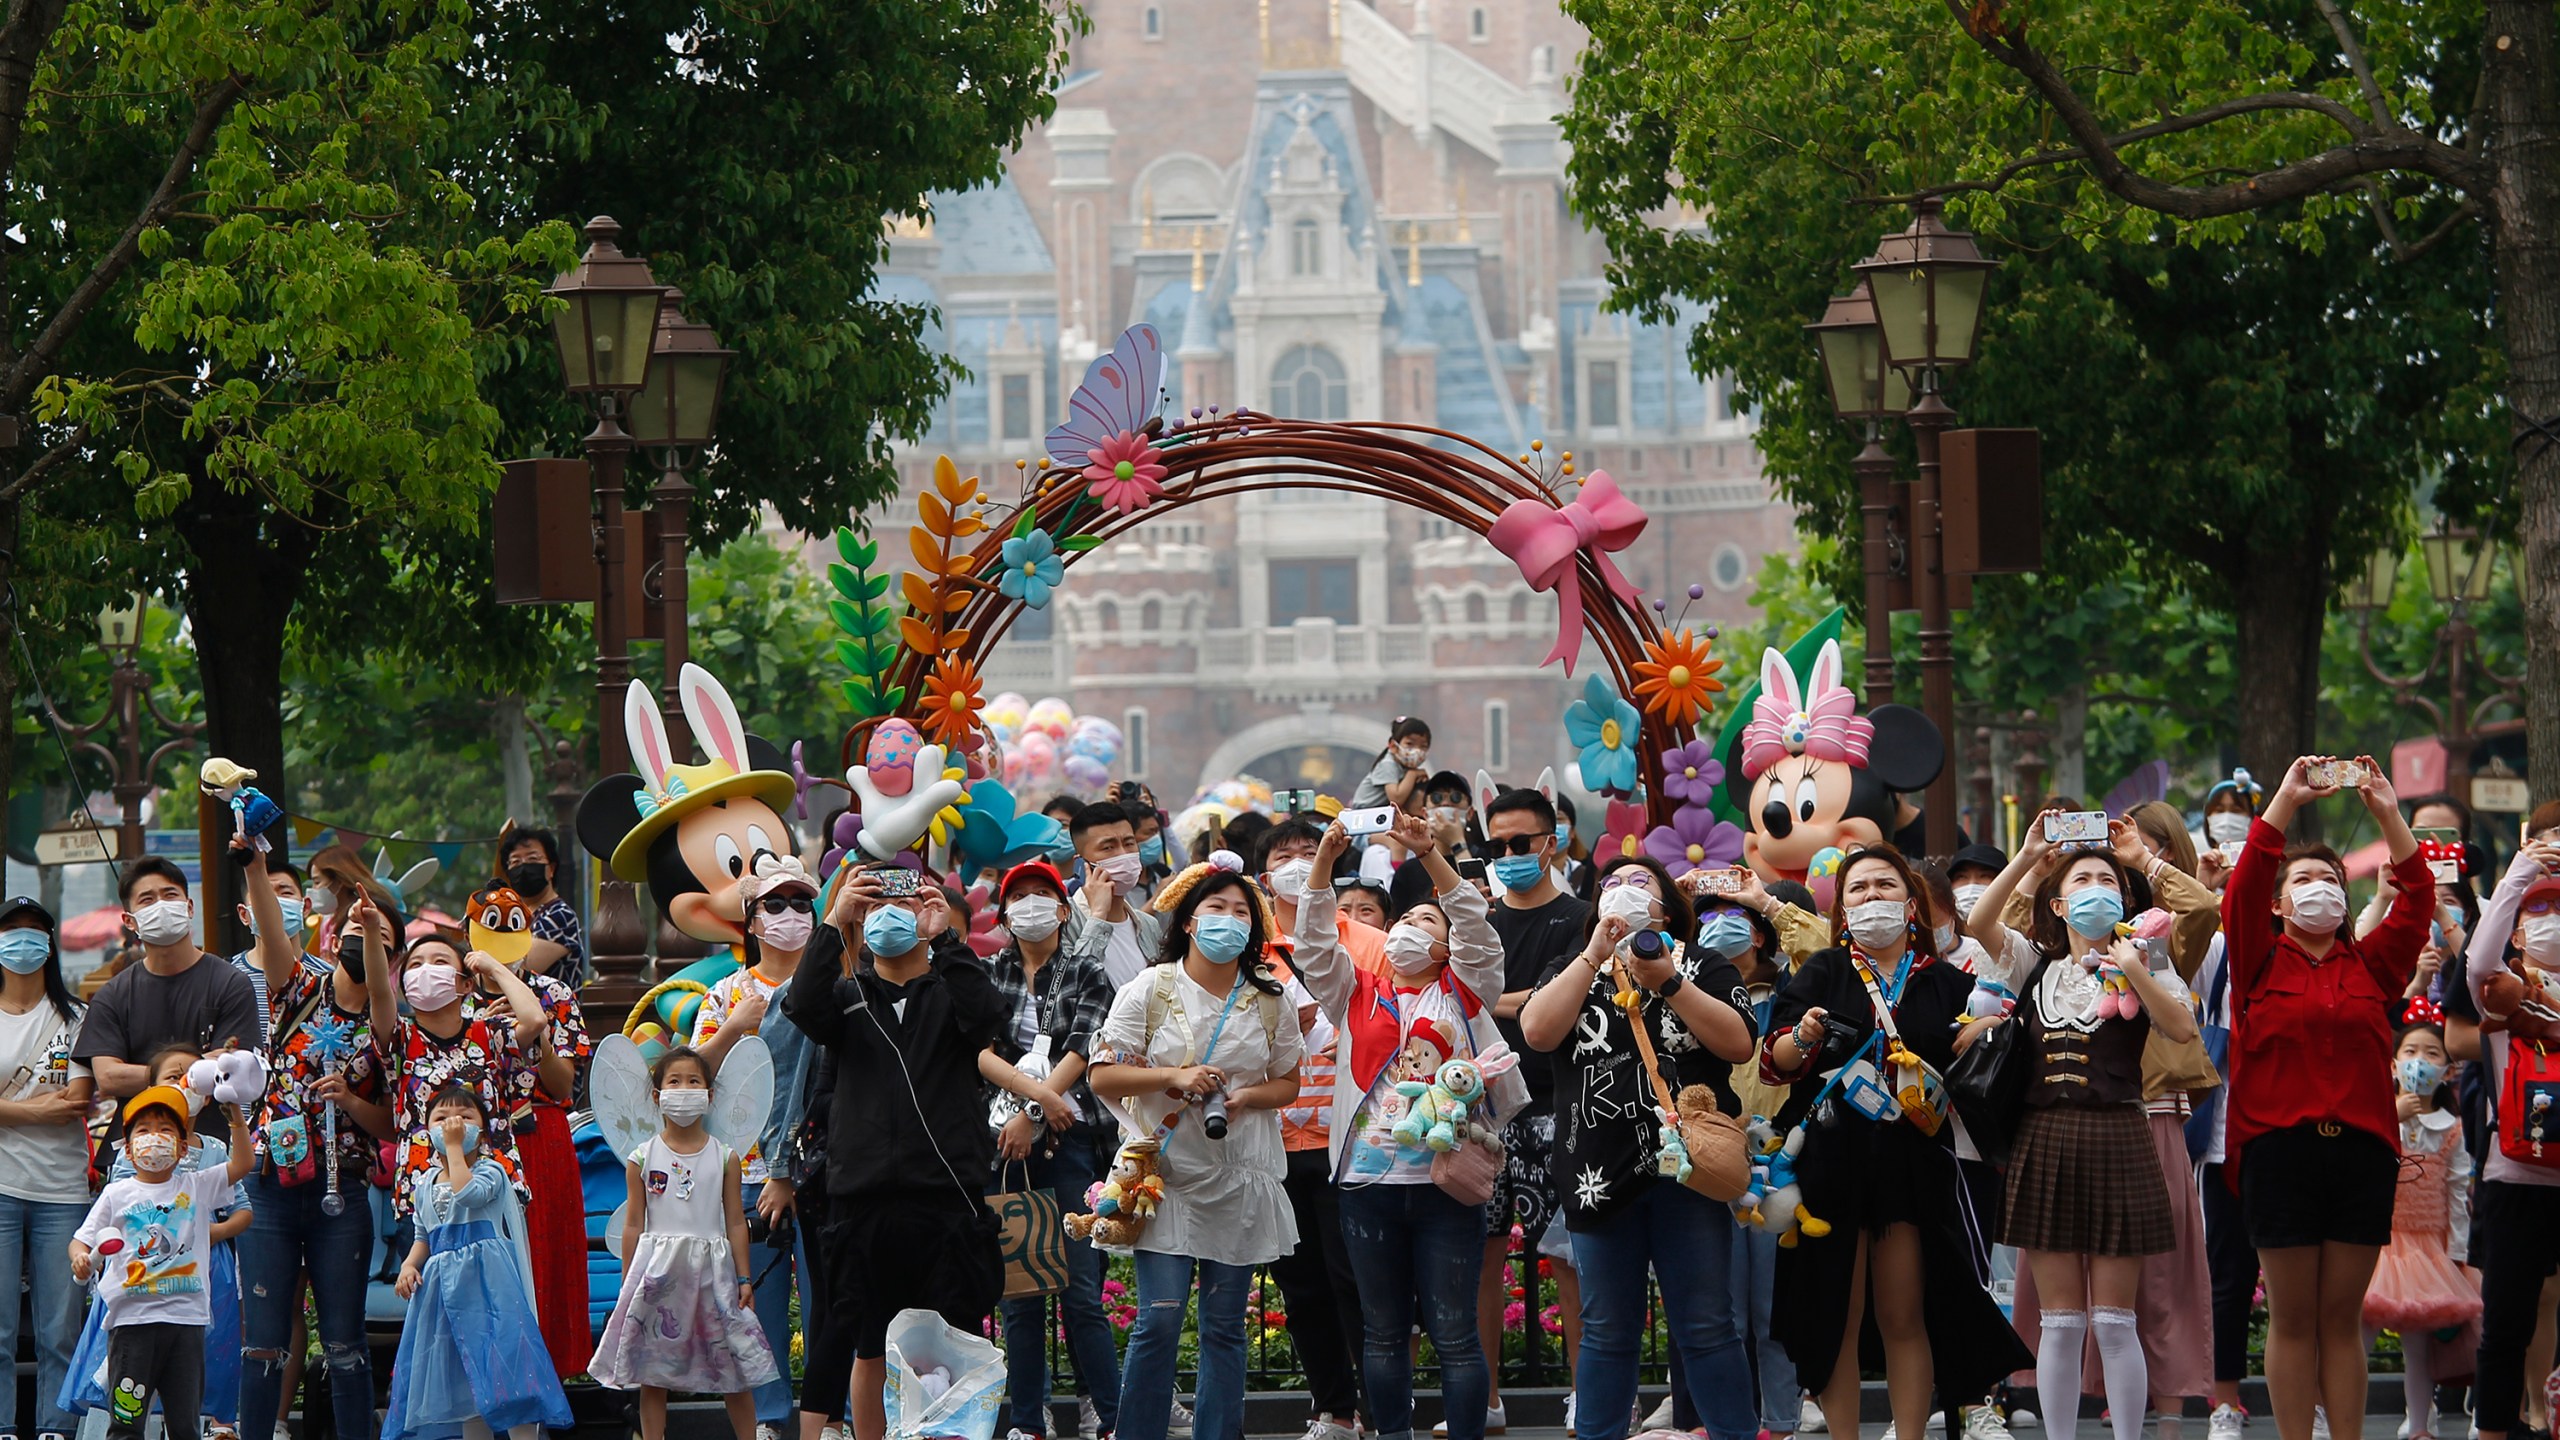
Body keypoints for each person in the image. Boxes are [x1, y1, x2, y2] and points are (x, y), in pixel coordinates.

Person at [1759, 845, 2033, 1440]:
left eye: (1885, 887)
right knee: (1838, 1316)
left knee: (1905, 1314)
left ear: (1911, 907)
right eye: (1857, 890)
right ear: (1842, 910)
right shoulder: (1823, 972)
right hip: (1831, 1164)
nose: (1871, 899)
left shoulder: (1949, 983)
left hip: (1913, 1166)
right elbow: (1774, 1062)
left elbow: (1993, 1041)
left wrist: (1988, 1025)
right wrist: (1801, 1038)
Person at [1966, 820, 2200, 1440]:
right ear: (2061, 904)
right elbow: (1978, 924)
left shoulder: (2148, 959)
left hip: (2121, 1135)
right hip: (2044, 1140)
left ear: (2125, 902)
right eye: (2084, 881)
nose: (2097, 889)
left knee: (2116, 1319)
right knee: (2061, 1321)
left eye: (2109, 882)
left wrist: (2137, 969)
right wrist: (2028, 857)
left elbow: (2180, 1030)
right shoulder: (2032, 962)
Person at [2222, 755, 2426, 1440]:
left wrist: (2387, 813)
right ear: (2280, 905)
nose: (2319, 890)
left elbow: (2419, 900)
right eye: (2303, 882)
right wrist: (2283, 798)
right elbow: (2246, 883)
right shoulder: (2257, 959)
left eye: (2331, 880)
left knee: (2342, 1320)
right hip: (2278, 1154)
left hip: (2362, 1155)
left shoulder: (2372, 966)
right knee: (2294, 1318)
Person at [1522, 856, 1760, 1440]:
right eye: (1609, 884)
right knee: (1606, 1327)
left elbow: (1739, 1043)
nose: (1621, 890)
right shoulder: (1574, 965)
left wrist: (1670, 982)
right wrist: (1592, 957)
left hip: (1690, 1171)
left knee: (1706, 1324)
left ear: (1666, 907)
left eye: (1637, 882)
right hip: (1596, 1171)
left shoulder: (1703, 963)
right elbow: (1537, 1031)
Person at [1296, 813, 1506, 1440]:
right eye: (1404, 921)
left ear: (1445, 949)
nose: (1410, 930)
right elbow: (1312, 943)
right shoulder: (1354, 991)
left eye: (1425, 923)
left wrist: (1431, 855)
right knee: (1383, 1332)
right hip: (1367, 1183)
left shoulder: (1465, 990)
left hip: (1445, 1182)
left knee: (1454, 1334)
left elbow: (1476, 929)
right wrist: (1324, 861)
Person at [785, 869, 1005, 1440]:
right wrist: (835, 922)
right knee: (868, 1343)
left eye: (901, 901)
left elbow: (985, 1016)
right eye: (877, 901)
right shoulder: (847, 996)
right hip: (864, 1198)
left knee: (954, 1341)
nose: (889, 911)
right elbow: (801, 1005)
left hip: (947, 1194)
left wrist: (946, 939)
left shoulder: (948, 989)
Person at [1089, 862, 1303, 1440]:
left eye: (1242, 912)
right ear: (1187, 921)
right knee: (1158, 1322)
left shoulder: (1270, 999)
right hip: (1167, 1178)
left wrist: (1246, 1096)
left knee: (1226, 1326)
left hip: (1239, 1175)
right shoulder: (1150, 989)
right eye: (1216, 909)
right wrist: (1173, 1078)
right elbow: (1102, 1075)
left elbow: (1289, 1082)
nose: (1229, 921)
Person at [235, 848, 390, 1440]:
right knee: (262, 1343)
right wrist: (254, 865)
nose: (355, 935)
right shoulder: (298, 987)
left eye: (368, 931)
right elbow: (273, 932)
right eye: (348, 927)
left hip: (341, 1194)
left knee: (346, 1343)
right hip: (271, 1186)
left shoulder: (384, 1026)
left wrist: (371, 932)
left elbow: (377, 995)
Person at [976, 859, 1123, 1440]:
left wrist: (1034, 1115)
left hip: (1070, 1144)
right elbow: (980, 1052)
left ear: (1064, 910)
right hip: (1005, 1147)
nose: (1031, 905)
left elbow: (1085, 1048)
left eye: (1043, 895)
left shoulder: (1087, 970)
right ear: (1006, 915)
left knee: (1082, 1290)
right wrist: (1032, 1102)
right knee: (1021, 1293)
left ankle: (1113, 1419)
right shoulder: (989, 971)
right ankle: (1028, 1423)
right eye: (1020, 897)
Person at [691, 857, 823, 1440]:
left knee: (830, 1298)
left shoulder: (833, 990)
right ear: (751, 920)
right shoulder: (725, 993)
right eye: (775, 904)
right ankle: (769, 1418)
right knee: (756, 1300)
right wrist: (734, 1027)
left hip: (820, 1167)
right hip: (745, 1170)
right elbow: (689, 1077)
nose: (790, 915)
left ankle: (832, 1413)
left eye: (801, 904)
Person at [1476, 786, 1589, 1435]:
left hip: (1555, 1101)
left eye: (1522, 843)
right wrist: (1516, 1000)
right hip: (1482, 1110)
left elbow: (1552, 1001)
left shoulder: (1579, 919)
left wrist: (1492, 998)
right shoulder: (1480, 922)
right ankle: (1485, 1400)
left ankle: (1589, 1394)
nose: (1511, 855)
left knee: (1569, 1257)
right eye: (1499, 846)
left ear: (1553, 843)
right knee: (1480, 1257)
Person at [592, 1049, 779, 1439]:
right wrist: (630, 1281)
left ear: (710, 1095)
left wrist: (744, 1277)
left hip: (714, 1276)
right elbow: (633, 1224)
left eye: (694, 1081)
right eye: (674, 1081)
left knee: (733, 1365)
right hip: (658, 1277)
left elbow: (734, 1221)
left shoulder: (725, 1157)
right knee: (652, 1371)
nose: (684, 1089)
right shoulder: (641, 1158)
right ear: (657, 1096)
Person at [69, 1082, 259, 1440]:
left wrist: (235, 1113)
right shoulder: (116, 1193)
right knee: (126, 1423)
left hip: (185, 1323)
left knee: (185, 1424)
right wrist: (81, 1257)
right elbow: (82, 1239)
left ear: (182, 1146)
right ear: (128, 1148)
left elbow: (244, 1163)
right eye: (143, 1130)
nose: (153, 1138)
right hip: (132, 1324)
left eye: (165, 1129)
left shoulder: (196, 1186)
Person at [385, 1084, 574, 1440]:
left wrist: (455, 1148)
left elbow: (469, 1194)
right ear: (427, 1131)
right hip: (447, 1294)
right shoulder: (424, 1183)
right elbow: (424, 1235)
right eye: (441, 1118)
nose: (453, 1123)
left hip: (489, 1289)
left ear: (482, 1132)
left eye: (464, 1117)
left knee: (508, 1371)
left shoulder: (492, 1172)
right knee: (464, 1380)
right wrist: (410, 1265)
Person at [1683, 876, 1799, 1440]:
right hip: (1712, 1160)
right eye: (1703, 921)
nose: (1718, 929)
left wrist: (1764, 899)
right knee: (1719, 1307)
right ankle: (1726, 1422)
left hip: (1778, 1165)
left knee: (1773, 1307)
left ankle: (1781, 1420)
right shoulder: (1688, 992)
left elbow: (1823, 945)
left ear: (1760, 934)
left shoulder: (1793, 992)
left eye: (1734, 919)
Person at [462, 889, 593, 1380]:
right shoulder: (455, 996)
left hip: (542, 1130)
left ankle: (549, 1385)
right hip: (479, 1139)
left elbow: (564, 1085)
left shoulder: (554, 995)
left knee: (548, 1259)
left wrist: (536, 1034)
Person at [2460, 832, 2560, 1440]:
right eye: (2539, 911)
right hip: (2517, 1180)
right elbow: (2476, 959)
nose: (2553, 921)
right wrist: (2522, 869)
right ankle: (2496, 1430)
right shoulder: (2500, 994)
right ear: (2518, 932)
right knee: (2507, 1326)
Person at [360, 907, 544, 1208]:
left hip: (492, 1190)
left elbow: (535, 1020)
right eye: (415, 965)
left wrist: (494, 967)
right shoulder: (400, 1040)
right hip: (423, 1194)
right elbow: (378, 990)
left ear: (466, 983)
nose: (426, 970)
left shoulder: (490, 1035)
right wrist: (370, 930)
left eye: (440, 962)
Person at [74, 858, 262, 1149]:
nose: (160, 905)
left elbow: (228, 1069)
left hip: (212, 1151)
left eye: (170, 895)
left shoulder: (230, 983)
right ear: (129, 921)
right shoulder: (112, 995)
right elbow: (109, 1077)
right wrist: (191, 1073)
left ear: (189, 907)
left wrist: (148, 1074)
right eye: (147, 900)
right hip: (134, 1154)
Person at [0, 897, 89, 1440]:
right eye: (13, 931)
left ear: (50, 943)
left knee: (61, 1327)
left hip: (63, 1191)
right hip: (0, 1187)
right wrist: (38, 1109)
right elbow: (55, 1106)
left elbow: (76, 1101)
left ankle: (57, 1428)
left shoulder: (75, 1016)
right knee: (0, 1326)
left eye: (35, 931)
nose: (24, 942)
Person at [2361, 1021, 2477, 1440]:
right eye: (2410, 1052)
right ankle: (2335, 1415)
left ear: (2448, 1071)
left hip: (2428, 1250)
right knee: (2359, 1336)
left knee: (2418, 1346)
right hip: (2379, 1243)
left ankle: (2420, 1425)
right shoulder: (2377, 1116)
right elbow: (2361, 1169)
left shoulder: (2451, 1129)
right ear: (2393, 1065)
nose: (2419, 1062)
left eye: (2432, 1054)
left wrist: (2457, 1255)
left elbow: (2458, 1196)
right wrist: (2393, 1117)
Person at [1071, 802, 1160, 990]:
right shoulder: (1064, 922)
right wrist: (1098, 916)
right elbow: (1073, 985)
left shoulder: (1148, 926)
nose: (1123, 854)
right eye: (1108, 848)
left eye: (1129, 844)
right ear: (1082, 863)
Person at [498, 825, 586, 984]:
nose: (523, 867)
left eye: (533, 859)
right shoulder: (515, 917)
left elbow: (518, 968)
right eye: (515, 862)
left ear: (551, 869)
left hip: (550, 1009)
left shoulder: (560, 916)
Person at [1353, 717, 1434, 811]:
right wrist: (1413, 774)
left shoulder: (1404, 768)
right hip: (1363, 813)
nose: (1417, 750)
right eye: (1410, 744)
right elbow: (1396, 799)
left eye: (1423, 746)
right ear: (1393, 746)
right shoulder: (1388, 765)